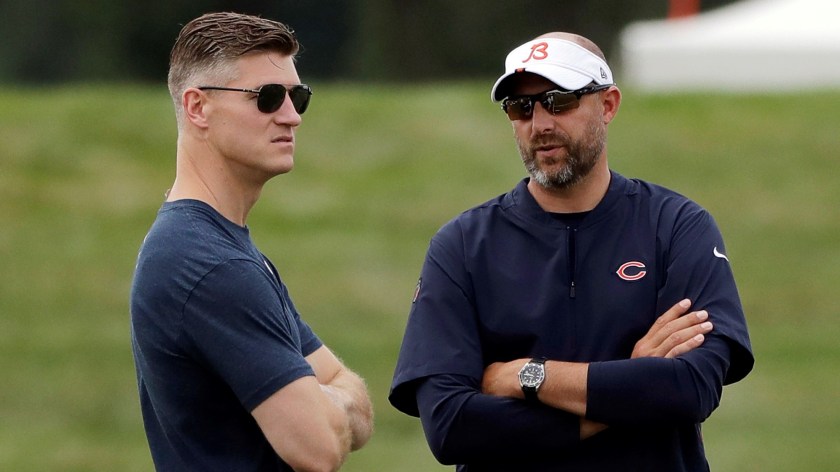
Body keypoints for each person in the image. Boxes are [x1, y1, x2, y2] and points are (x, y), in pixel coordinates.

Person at [389, 32, 753, 471]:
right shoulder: (462, 245)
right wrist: (628, 389)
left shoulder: (676, 226)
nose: (540, 124)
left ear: (608, 104)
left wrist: (526, 375)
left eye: (559, 101)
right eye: (521, 107)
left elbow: (691, 388)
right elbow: (451, 426)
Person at [130, 12, 373, 472]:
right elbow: (318, 448)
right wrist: (324, 399)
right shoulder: (209, 265)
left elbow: (356, 401)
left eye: (298, 97)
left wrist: (324, 399)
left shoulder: (221, 249)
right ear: (198, 107)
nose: (292, 116)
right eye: (268, 97)